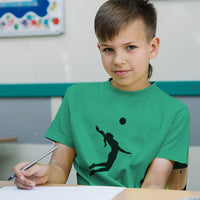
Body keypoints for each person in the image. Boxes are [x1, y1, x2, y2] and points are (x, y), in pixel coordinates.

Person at [13, 0, 190, 190]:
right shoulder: (76, 98)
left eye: (130, 47)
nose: (118, 60)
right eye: (108, 49)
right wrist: (44, 173)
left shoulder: (175, 112)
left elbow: (154, 184)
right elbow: (59, 169)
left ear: (152, 47)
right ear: (99, 49)